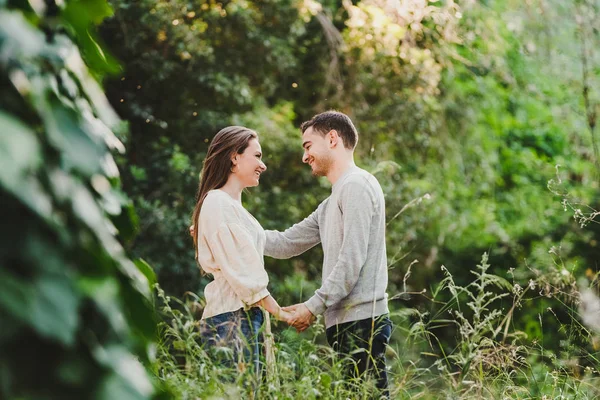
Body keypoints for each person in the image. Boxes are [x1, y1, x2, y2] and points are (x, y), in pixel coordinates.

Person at [264, 111, 392, 396]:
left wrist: (311, 307)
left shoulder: (358, 185)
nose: (304, 156)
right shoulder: (332, 200)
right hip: (345, 323)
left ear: (332, 138)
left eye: (308, 146)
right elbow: (286, 242)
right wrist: (231, 228)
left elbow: (351, 263)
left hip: (363, 323)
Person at [191, 126, 292, 376]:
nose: (263, 165)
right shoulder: (217, 202)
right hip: (230, 320)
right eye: (257, 156)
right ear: (235, 157)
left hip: (242, 318)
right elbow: (245, 277)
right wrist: (284, 314)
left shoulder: (229, 206)